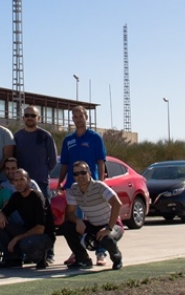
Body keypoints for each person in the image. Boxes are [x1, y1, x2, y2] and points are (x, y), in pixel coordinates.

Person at [56, 105, 108, 265]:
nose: (78, 119)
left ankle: (101, 253)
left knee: (96, 220)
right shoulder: (68, 140)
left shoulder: (95, 138)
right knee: (74, 221)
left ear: (86, 117)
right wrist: (60, 182)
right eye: (75, 117)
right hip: (73, 188)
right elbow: (65, 163)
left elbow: (101, 161)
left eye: (80, 116)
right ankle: (77, 252)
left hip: (92, 187)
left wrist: (101, 182)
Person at [61, 161, 124, 270]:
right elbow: (70, 213)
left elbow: (117, 204)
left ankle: (117, 258)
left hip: (113, 225)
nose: (80, 176)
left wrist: (108, 228)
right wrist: (78, 221)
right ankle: (83, 260)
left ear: (89, 173)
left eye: (83, 172)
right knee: (67, 227)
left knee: (106, 238)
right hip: (93, 225)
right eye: (76, 174)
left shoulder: (99, 186)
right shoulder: (73, 189)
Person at [0, 169, 55, 269]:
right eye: (16, 180)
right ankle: (12, 259)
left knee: (25, 244)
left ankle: (40, 258)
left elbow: (40, 229)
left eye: (22, 179)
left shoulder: (37, 197)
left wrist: (16, 238)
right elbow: (5, 211)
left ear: (28, 180)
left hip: (44, 235)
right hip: (28, 232)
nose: (19, 183)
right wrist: (0, 213)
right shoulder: (16, 197)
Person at [14, 106, 58, 200]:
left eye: (33, 115)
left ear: (38, 118)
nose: (29, 117)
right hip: (21, 184)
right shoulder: (17, 137)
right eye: (27, 115)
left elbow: (53, 160)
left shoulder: (45, 136)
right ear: (23, 118)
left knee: (43, 212)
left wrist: (43, 171)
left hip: (41, 182)